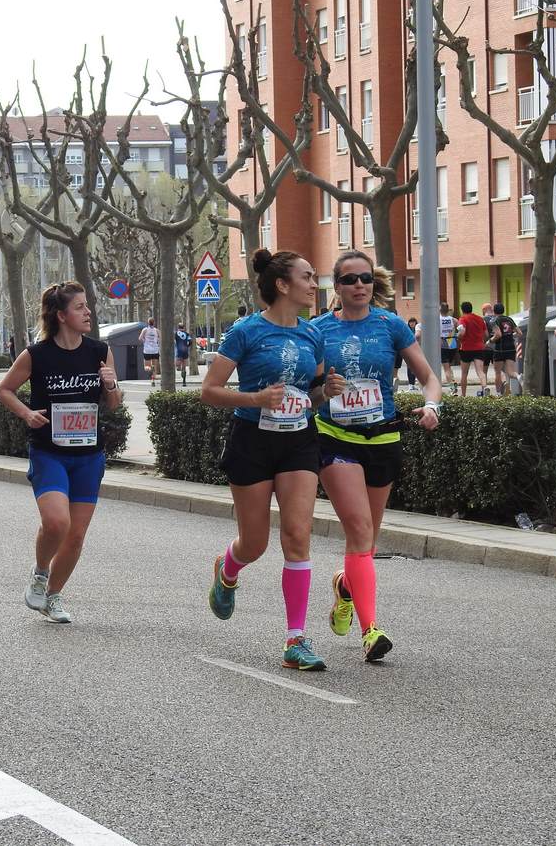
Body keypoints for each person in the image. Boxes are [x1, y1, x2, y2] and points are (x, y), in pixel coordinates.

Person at [201, 248, 345, 671]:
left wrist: (326, 392)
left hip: (299, 440)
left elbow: (314, 394)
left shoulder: (312, 334)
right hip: (252, 440)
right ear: (282, 285)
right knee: (255, 542)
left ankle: (295, 639)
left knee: (298, 534)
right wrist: (256, 398)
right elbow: (209, 391)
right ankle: (228, 569)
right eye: (306, 276)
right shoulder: (245, 332)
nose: (313, 284)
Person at [312, 251, 442, 662]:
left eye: (365, 278)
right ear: (337, 287)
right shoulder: (316, 331)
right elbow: (307, 390)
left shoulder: (391, 325)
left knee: (364, 541)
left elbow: (428, 378)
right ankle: (371, 632)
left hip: (383, 438)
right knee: (359, 528)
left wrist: (432, 406)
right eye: (350, 280)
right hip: (335, 438)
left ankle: (345, 586)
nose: (359, 286)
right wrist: (323, 393)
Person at [0, 281, 121, 624]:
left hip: (89, 455)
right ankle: (39, 573)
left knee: (76, 535)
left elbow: (113, 403)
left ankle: (53, 596)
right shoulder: (37, 355)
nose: (88, 312)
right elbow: (4, 389)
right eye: (80, 307)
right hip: (49, 451)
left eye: (87, 306)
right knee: (57, 522)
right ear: (61, 315)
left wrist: (111, 385)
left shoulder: (99, 351)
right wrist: (26, 413)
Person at [456, 301, 488, 396]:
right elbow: (486, 334)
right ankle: (485, 387)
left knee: (464, 373)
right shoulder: (480, 319)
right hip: (479, 348)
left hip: (466, 348)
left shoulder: (462, 319)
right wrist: (482, 341)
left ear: (462, 310)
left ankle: (463, 395)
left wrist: (458, 337)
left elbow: (462, 332)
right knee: (480, 372)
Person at [490, 302, 521, 396]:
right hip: (511, 347)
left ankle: (499, 393)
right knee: (511, 372)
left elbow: (498, 334)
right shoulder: (509, 319)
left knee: (498, 372)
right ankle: (519, 377)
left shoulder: (494, 321)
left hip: (500, 349)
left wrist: (490, 341)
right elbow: (519, 333)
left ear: (494, 311)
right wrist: (510, 335)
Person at [438, 302, 459, 391]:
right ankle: (453, 381)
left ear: (439, 309)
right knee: (449, 366)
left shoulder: (437, 319)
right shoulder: (454, 320)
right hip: (452, 343)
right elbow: (461, 330)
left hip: (442, 343)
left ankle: (452, 387)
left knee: (446, 368)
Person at [139, 317, 160, 386]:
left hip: (147, 350)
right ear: (154, 323)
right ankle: (153, 380)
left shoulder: (145, 330)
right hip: (155, 350)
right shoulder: (157, 330)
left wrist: (145, 341)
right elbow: (160, 338)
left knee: (146, 367)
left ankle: (150, 368)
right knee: (154, 365)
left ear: (148, 323)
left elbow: (140, 338)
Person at [174, 322, 193, 387]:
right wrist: (187, 346)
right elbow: (190, 341)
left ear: (178, 327)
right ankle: (184, 381)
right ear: (184, 327)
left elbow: (173, 341)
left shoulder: (176, 333)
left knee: (177, 363)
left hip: (179, 350)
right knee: (184, 365)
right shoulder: (187, 334)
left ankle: (178, 367)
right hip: (185, 350)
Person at [405, 317, 420, 390]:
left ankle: (413, 383)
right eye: (410, 322)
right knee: (410, 367)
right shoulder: (407, 330)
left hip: (417, 350)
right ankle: (410, 384)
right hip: (409, 350)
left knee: (416, 367)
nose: (412, 323)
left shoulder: (418, 330)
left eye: (413, 322)